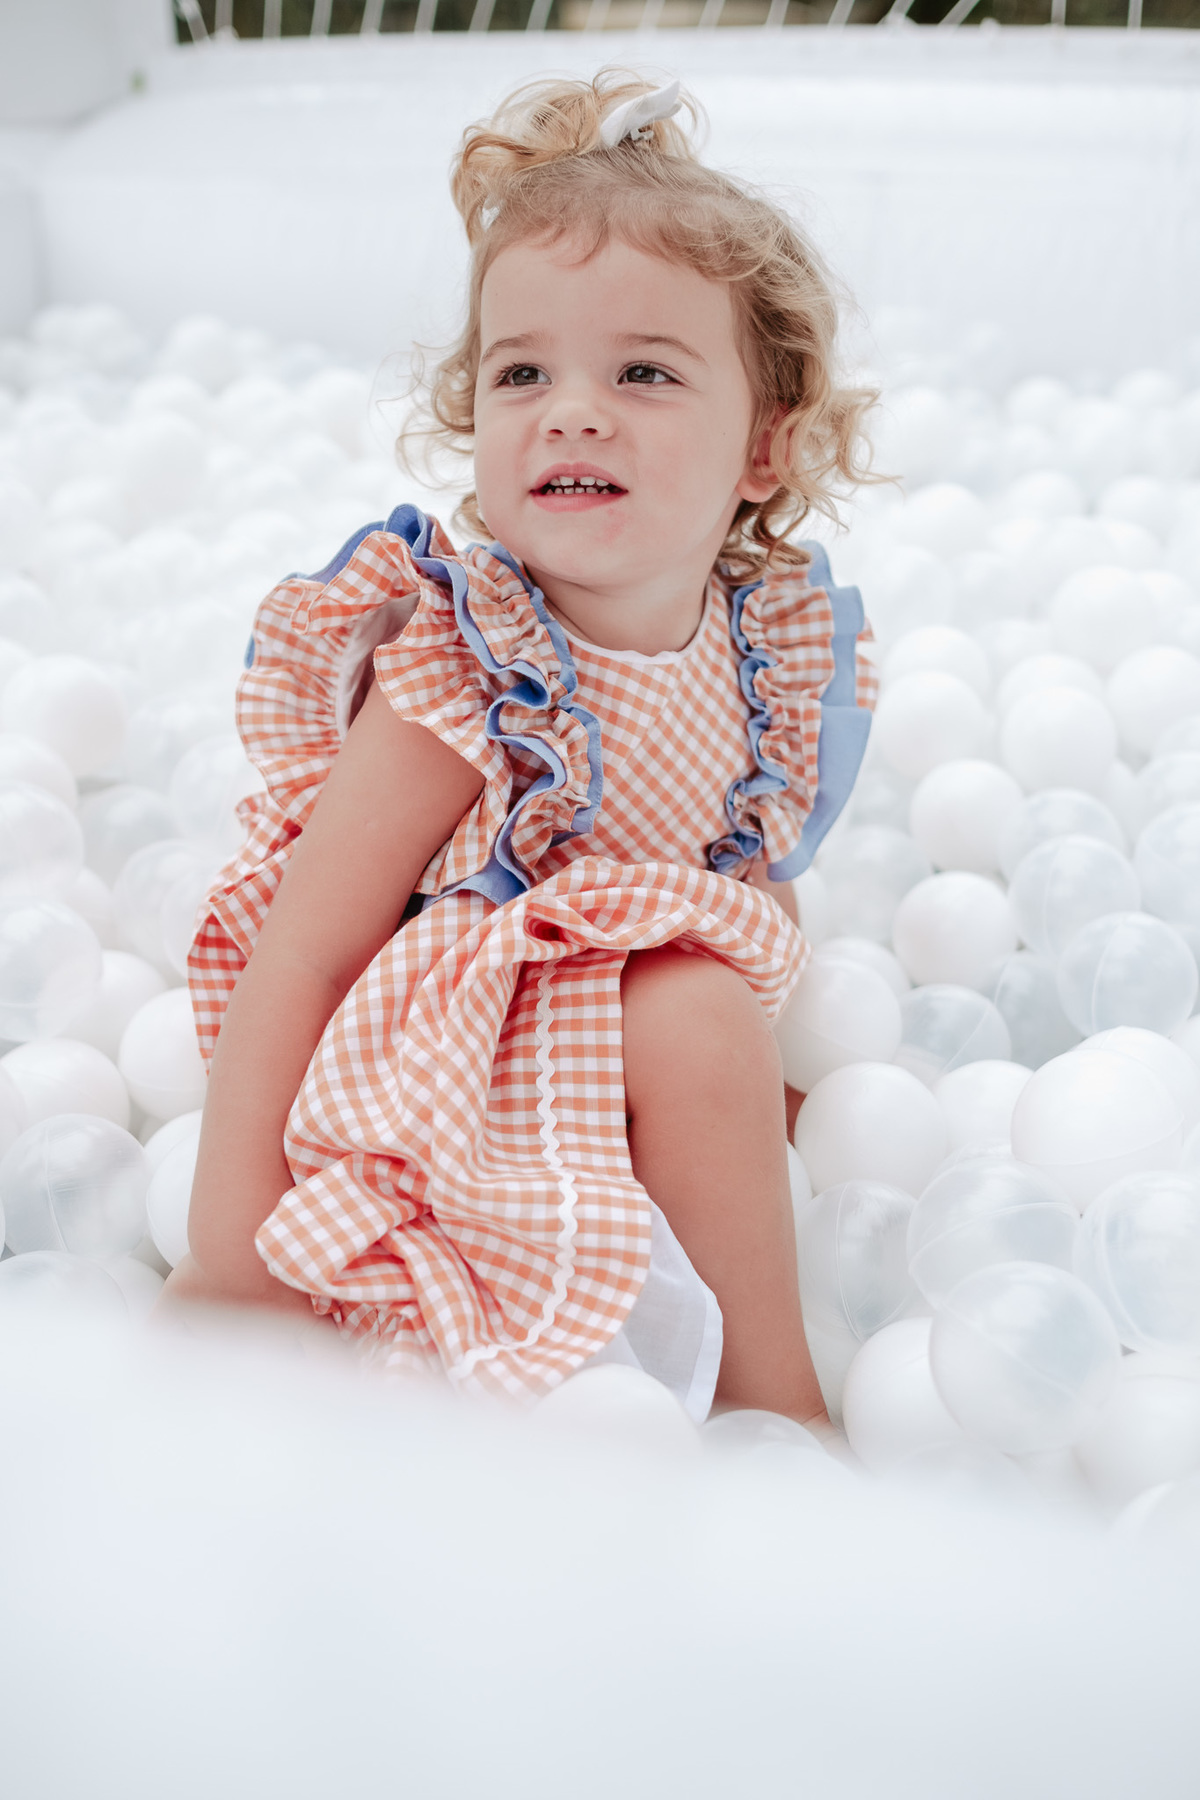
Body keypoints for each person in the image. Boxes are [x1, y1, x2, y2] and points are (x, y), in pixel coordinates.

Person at [159, 69, 878, 1430]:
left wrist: (779, 1097)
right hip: (445, 1060)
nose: (572, 410)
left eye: (643, 372)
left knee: (709, 1018)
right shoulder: (477, 673)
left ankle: (757, 1385)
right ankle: (774, 1413)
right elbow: (308, 948)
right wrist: (230, 1237)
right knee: (697, 1021)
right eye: (522, 372)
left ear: (765, 449)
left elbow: (739, 880)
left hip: (629, 1036)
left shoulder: (763, 655)